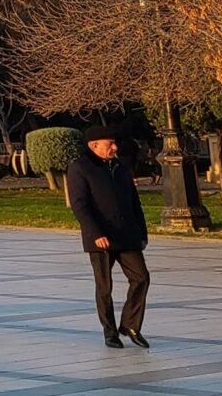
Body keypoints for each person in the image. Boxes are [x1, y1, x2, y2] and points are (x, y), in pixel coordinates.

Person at [66, 124, 151, 348]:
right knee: (105, 287)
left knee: (141, 277)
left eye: (115, 143)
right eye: (109, 144)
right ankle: (110, 332)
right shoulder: (79, 168)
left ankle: (130, 325)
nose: (114, 147)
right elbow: (79, 205)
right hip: (101, 238)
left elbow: (135, 202)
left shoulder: (121, 167)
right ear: (94, 145)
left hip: (127, 235)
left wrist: (141, 232)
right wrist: (95, 233)